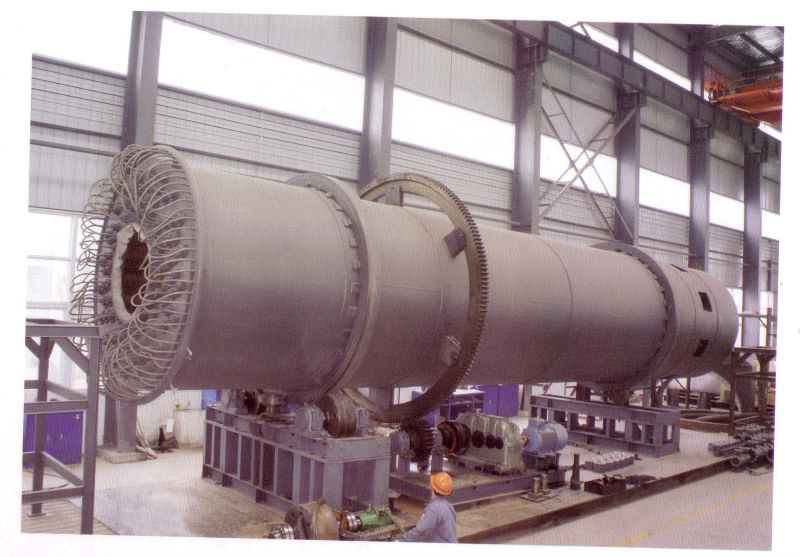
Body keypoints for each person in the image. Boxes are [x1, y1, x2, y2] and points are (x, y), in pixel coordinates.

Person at [400, 472, 457, 543]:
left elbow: (421, 530)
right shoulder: (448, 505)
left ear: (433, 488)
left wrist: (404, 540)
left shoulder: (433, 508)